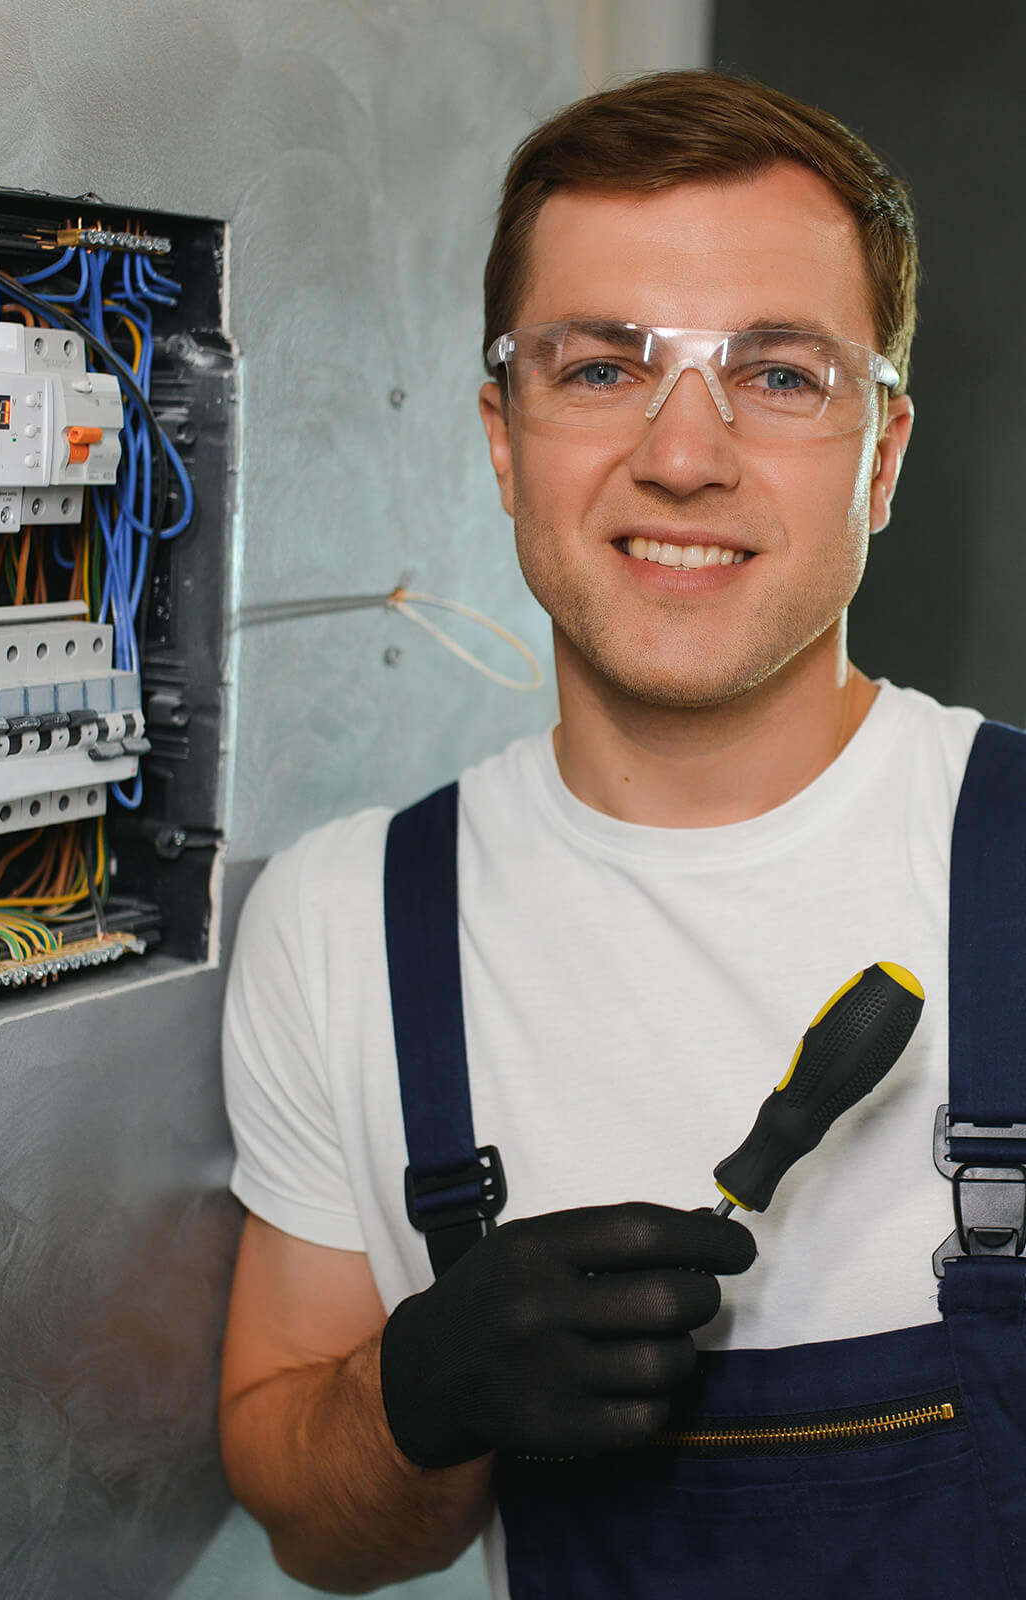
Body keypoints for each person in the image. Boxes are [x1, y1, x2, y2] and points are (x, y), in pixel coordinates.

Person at [218, 70, 1019, 1599]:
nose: (682, 454)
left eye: (779, 376)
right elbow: (316, 1533)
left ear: (887, 458)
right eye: (599, 369)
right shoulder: (344, 929)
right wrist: (414, 1400)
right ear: (505, 436)